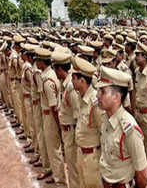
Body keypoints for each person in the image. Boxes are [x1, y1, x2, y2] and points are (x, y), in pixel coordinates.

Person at [96, 66, 147, 188]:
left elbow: (142, 175)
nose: (97, 95)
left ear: (116, 97)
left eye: (103, 91)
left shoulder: (129, 128)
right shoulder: (105, 119)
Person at [35, 47, 66, 185]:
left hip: (51, 117)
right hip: (49, 115)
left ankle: (59, 179)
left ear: (43, 62)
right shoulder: (49, 75)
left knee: (54, 149)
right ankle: (55, 173)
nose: (36, 62)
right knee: (52, 148)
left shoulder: (48, 80)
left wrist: (57, 124)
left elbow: (53, 107)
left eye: (38, 60)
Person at [71, 56, 104, 188]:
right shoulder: (81, 97)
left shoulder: (95, 102)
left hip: (93, 156)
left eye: (74, 78)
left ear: (82, 80)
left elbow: (103, 132)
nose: (71, 81)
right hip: (81, 152)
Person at [52, 50, 80, 188]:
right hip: (67, 131)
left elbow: (78, 115)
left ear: (59, 68)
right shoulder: (65, 83)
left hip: (72, 132)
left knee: (74, 168)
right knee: (71, 165)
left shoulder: (70, 86)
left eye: (55, 68)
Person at [132, 42, 147, 175]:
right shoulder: (137, 72)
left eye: (139, 55)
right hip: (138, 113)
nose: (136, 57)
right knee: (137, 145)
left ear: (145, 57)